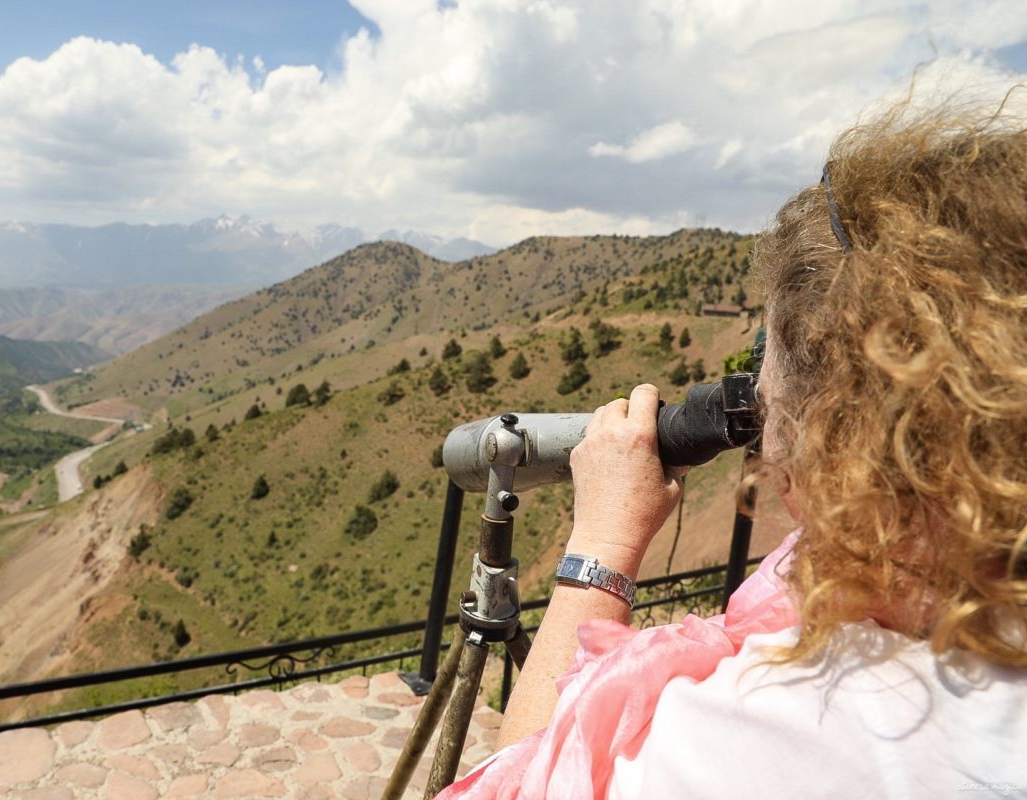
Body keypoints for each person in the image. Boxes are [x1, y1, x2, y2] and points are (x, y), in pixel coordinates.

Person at [438, 99, 1027, 799]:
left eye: (767, 375)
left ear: (842, 436)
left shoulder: (793, 727)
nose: (762, 418)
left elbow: (520, 782)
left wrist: (602, 540)